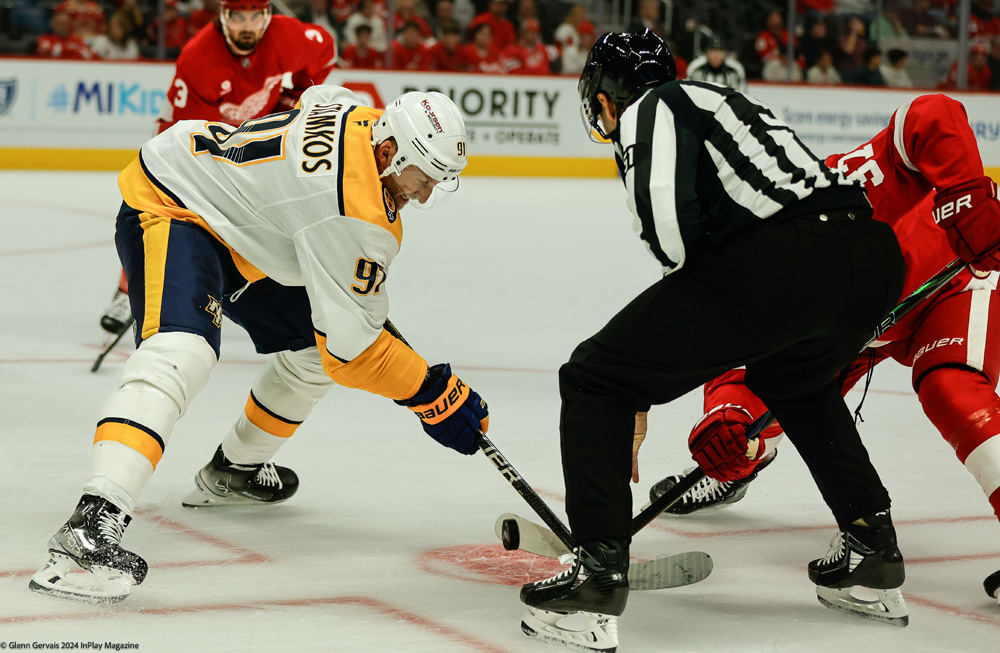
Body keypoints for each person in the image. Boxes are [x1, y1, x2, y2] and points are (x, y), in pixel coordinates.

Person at [517, 29, 918, 650]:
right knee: (797, 381)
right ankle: (872, 548)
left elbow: (672, 238)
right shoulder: (720, 100)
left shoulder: (649, 108)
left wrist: (635, 388)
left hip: (787, 261)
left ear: (604, 97)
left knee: (596, 376)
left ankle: (595, 577)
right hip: (868, 258)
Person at [30, 86, 489, 603]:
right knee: (182, 351)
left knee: (312, 349)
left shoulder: (355, 112)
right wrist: (431, 393)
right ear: (388, 153)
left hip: (241, 227)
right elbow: (353, 353)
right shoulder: (354, 214)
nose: (423, 195)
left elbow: (318, 96)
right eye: (422, 179)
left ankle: (233, 471)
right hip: (177, 201)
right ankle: (89, 525)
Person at [647, 92, 1000, 606]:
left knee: (950, 387)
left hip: (952, 278)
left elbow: (932, 113)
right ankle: (744, 466)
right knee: (780, 388)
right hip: (855, 319)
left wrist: (966, 196)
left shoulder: (844, 190)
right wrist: (729, 419)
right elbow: (742, 358)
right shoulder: (744, 270)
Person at [98, 0, 337, 337]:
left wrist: (291, 99)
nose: (247, 26)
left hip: (247, 133)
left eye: (255, 16)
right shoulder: (200, 58)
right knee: (161, 214)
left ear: (267, 16)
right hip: (185, 141)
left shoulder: (288, 37)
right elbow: (192, 141)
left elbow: (324, 53)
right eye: (238, 16)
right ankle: (128, 290)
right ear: (223, 16)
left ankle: (262, 295)